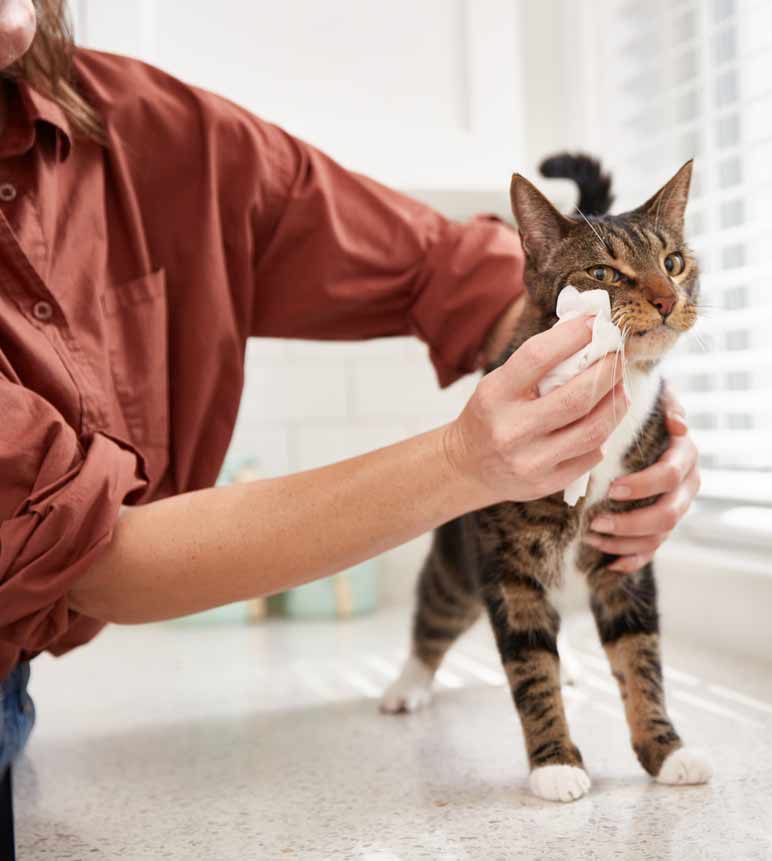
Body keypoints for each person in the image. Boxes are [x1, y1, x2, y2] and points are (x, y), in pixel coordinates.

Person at [0, 1, 701, 849]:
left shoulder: (155, 132)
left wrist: (609, 363)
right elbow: (87, 558)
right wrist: (463, 460)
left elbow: (437, 263)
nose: (13, 25)